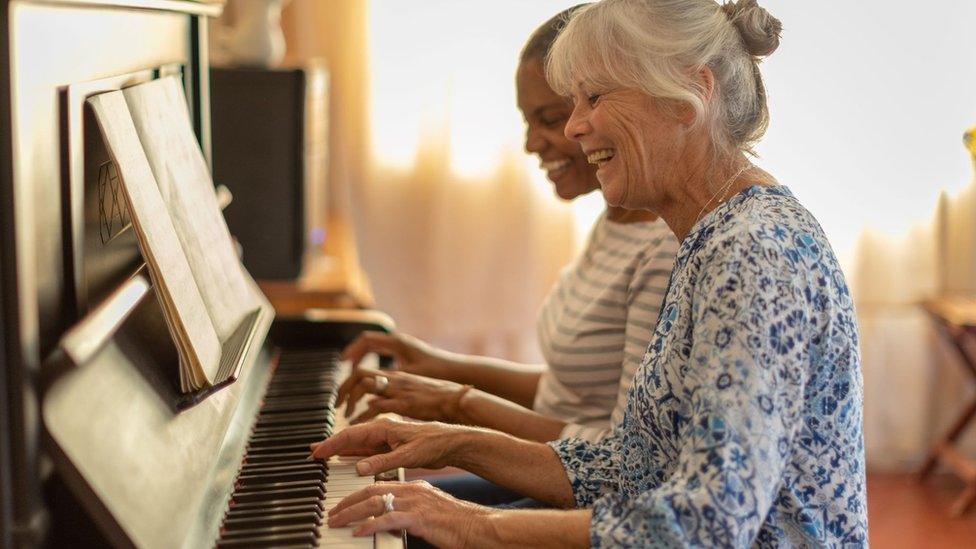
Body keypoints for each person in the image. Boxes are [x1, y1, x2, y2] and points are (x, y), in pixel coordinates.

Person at [312, 0, 868, 547]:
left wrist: (476, 523)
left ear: (690, 94)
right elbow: (635, 465)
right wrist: (451, 440)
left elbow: (709, 525)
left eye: (593, 97)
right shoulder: (712, 234)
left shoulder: (754, 252)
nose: (576, 126)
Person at [338, 6, 677, 447]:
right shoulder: (618, 216)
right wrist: (443, 365)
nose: (531, 143)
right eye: (527, 121)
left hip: (579, 499)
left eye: (550, 119)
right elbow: (566, 395)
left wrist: (456, 403)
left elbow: (622, 456)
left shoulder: (661, 250)